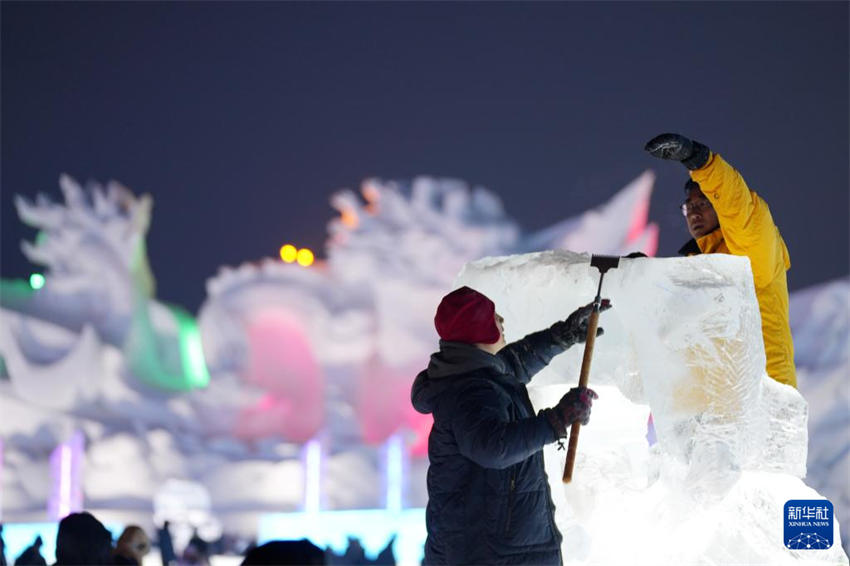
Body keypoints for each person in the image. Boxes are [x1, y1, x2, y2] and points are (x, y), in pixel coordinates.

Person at [411, 286, 609, 565]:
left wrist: (561, 335)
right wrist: (557, 419)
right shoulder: (469, 392)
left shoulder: (473, 377)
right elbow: (493, 447)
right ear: (479, 331)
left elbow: (513, 364)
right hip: (491, 555)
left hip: (497, 550)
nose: (502, 321)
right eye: (493, 318)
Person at [645, 133, 797, 388]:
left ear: (719, 205)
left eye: (703, 202)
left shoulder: (751, 251)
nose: (694, 211)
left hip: (764, 396)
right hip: (715, 407)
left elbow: (742, 211)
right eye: (688, 206)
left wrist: (702, 163)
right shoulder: (696, 268)